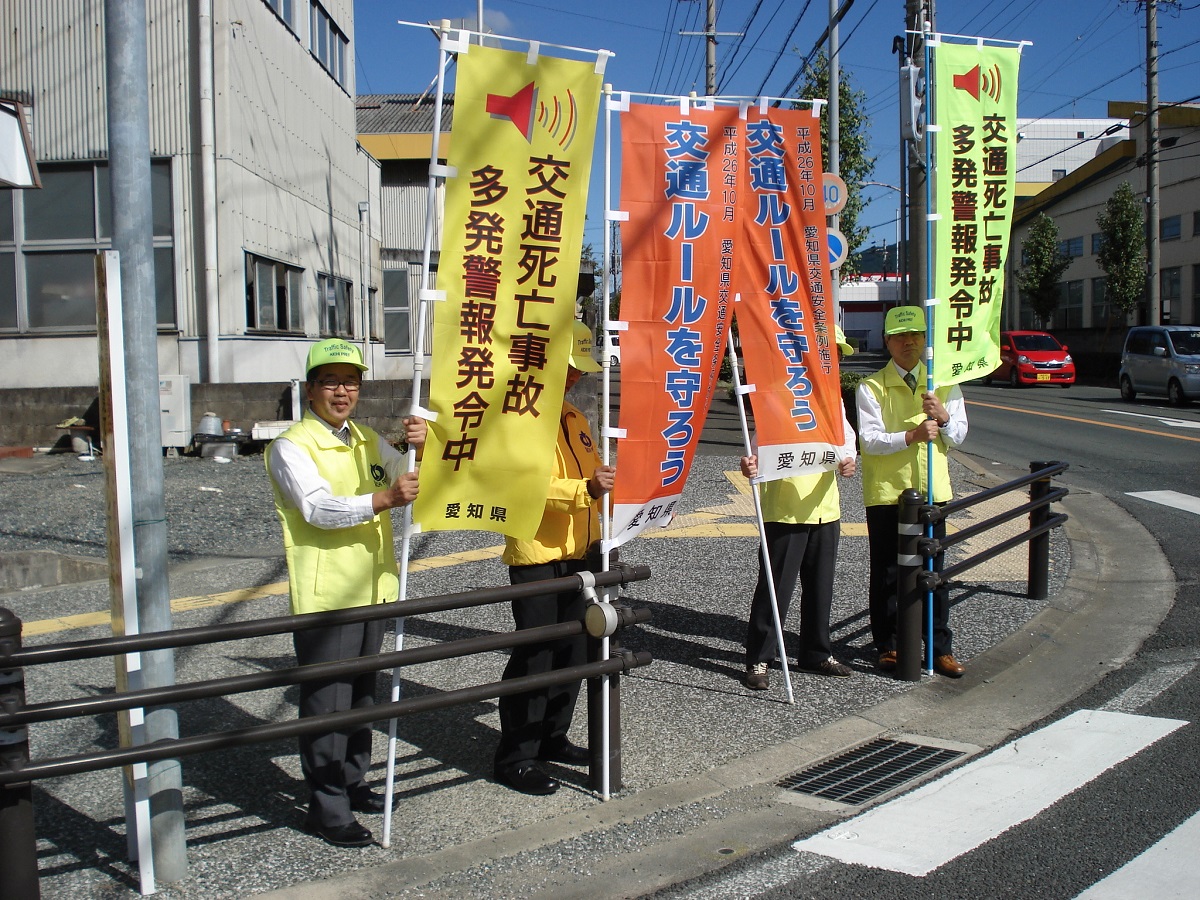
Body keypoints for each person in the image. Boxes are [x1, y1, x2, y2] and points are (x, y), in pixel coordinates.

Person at [266, 338, 425, 847]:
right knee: (327, 706)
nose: (342, 390)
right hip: (328, 596)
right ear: (310, 388)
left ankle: (353, 781)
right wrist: (383, 498)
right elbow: (317, 509)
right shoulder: (292, 445)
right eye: (331, 381)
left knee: (360, 696)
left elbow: (409, 478)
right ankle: (326, 807)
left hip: (372, 588)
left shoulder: (365, 439)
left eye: (351, 381)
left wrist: (422, 445)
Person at [493, 321, 616, 796]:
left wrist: (606, 492)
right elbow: (518, 487)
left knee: (577, 651)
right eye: (567, 369)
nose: (574, 378)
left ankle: (552, 737)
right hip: (537, 555)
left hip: (582, 553)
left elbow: (593, 478)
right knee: (535, 657)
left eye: (578, 371)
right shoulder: (520, 416)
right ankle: (515, 756)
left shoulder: (573, 419)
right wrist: (584, 490)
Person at [740, 326, 858, 690]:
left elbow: (847, 444)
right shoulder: (781, 395)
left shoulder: (834, 400)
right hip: (785, 509)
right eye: (827, 353)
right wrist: (750, 465)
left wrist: (849, 462)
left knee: (821, 586)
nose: (831, 361)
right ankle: (759, 659)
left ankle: (817, 652)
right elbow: (757, 450)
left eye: (836, 355)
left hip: (826, 506)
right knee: (776, 588)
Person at [856, 306, 968, 678]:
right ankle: (888, 645)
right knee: (888, 571)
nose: (909, 342)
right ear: (887, 340)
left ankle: (939, 647)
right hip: (888, 493)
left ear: (925, 339)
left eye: (916, 335)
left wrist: (944, 416)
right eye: (901, 336)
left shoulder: (944, 385)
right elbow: (869, 442)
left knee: (935, 571)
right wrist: (912, 435)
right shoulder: (871, 386)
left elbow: (959, 436)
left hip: (933, 492)